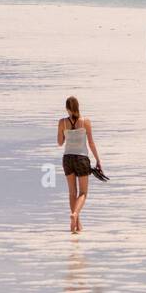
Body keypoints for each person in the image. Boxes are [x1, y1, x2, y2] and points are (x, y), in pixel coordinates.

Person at [57, 96, 101, 234]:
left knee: (72, 192)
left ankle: (76, 223)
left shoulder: (62, 122)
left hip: (67, 158)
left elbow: (59, 142)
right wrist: (98, 160)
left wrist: (66, 134)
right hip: (82, 158)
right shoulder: (85, 122)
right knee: (83, 192)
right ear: (78, 107)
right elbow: (91, 143)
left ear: (67, 108)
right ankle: (75, 215)